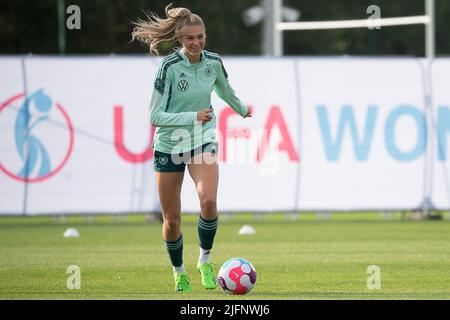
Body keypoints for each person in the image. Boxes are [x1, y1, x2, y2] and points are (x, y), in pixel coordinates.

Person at [131, 4, 251, 292]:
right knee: (172, 220)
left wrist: (241, 108)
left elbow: (224, 89)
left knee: (208, 201)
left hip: (202, 140)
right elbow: (155, 117)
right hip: (169, 145)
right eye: (190, 38)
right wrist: (193, 116)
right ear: (179, 39)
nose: (196, 43)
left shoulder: (213, 62)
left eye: (201, 37)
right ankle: (179, 271)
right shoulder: (168, 67)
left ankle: (205, 261)